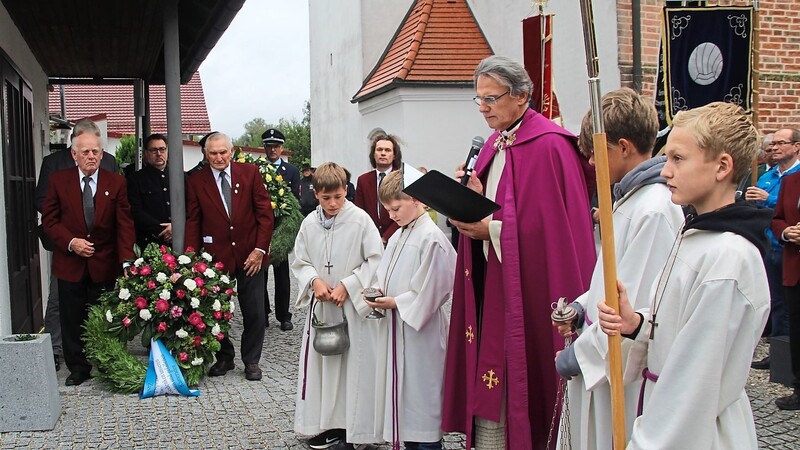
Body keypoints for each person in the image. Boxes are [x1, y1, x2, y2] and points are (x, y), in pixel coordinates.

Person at [442, 55, 596, 449]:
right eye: (478, 100)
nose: (483, 108)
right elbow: (503, 204)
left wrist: (489, 228)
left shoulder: (550, 146)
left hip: (530, 291)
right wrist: (472, 198)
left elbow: (552, 233)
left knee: (523, 383)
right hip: (492, 281)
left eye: (491, 98)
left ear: (522, 95)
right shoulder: (495, 142)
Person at [598, 102, 772, 449]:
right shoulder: (696, 234)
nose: (665, 171)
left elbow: (694, 383)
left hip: (699, 433)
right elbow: (681, 328)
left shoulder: (727, 259)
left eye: (678, 159)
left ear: (722, 166)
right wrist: (638, 324)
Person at [551, 88, 685, 449]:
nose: (592, 163)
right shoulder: (630, 199)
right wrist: (581, 306)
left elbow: (635, 308)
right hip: (599, 349)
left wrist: (578, 356)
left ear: (624, 147)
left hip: (620, 376)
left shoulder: (653, 209)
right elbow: (611, 280)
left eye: (597, 152)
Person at [291, 162, 383, 450]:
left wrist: (350, 285)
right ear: (315, 193)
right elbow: (301, 261)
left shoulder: (360, 220)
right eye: (326, 198)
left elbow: (375, 259)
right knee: (323, 369)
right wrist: (314, 280)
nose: (333, 204)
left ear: (346, 191)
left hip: (352, 310)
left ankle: (355, 431)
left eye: (338, 197)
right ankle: (327, 425)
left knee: (353, 369)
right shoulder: (308, 223)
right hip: (323, 309)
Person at [364, 168, 456, 450]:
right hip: (397, 329)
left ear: (417, 200)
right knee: (404, 404)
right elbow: (385, 272)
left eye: (395, 208)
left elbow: (435, 290)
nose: (391, 215)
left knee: (422, 403)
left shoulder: (431, 238)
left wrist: (396, 302)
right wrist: (378, 290)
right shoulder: (399, 234)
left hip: (421, 335)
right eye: (387, 209)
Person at [41, 128, 135, 386]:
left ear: (102, 153)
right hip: (69, 263)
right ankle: (78, 368)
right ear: (74, 155)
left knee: (105, 316)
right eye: (85, 152)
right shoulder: (59, 181)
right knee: (71, 318)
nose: (91, 156)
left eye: (96, 151)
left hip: (104, 262)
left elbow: (124, 223)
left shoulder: (116, 182)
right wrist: (71, 242)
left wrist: (127, 259)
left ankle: (105, 362)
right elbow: (49, 221)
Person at [184, 132, 274, 381]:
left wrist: (260, 249)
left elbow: (265, 215)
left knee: (254, 310)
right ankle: (225, 356)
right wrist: (191, 259)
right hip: (216, 258)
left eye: (223, 152)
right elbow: (194, 220)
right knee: (216, 311)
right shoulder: (196, 181)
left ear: (231, 151)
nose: (219, 157)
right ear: (205, 154)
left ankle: (252, 360)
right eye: (213, 153)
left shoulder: (249, 174)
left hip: (251, 256)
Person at [746, 128, 800, 370]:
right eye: (773, 143)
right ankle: (777, 354)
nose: (775, 147)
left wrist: (766, 198)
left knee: (791, 307)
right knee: (776, 302)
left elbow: (783, 207)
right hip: (771, 244)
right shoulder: (767, 176)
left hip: (790, 251)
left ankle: (788, 359)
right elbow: (773, 217)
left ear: (796, 146)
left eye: (781, 143)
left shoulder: (795, 177)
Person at [261, 128, 301, 331]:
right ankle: (264, 314)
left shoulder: (292, 171)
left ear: (282, 148)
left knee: (282, 276)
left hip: (282, 229)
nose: (272, 150)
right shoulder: (257, 169)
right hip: (262, 229)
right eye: (269, 146)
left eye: (276, 146)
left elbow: (294, 200)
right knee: (261, 276)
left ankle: (284, 315)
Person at [771, 169, 800, 410]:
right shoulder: (790, 181)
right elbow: (777, 217)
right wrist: (785, 232)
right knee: (797, 332)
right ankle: (799, 388)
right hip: (794, 268)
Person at [126, 133, 176, 248]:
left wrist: (176, 227)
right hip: (150, 242)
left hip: (178, 241)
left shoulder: (180, 177)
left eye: (162, 149)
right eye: (153, 150)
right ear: (145, 153)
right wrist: (162, 230)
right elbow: (135, 211)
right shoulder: (135, 179)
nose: (159, 154)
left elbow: (189, 207)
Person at [354, 133, 402, 244]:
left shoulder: (402, 178)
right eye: (379, 149)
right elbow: (360, 212)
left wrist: (386, 237)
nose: (383, 153)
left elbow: (404, 211)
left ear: (394, 155)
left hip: (396, 238)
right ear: (373, 154)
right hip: (369, 240)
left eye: (387, 150)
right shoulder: (363, 180)